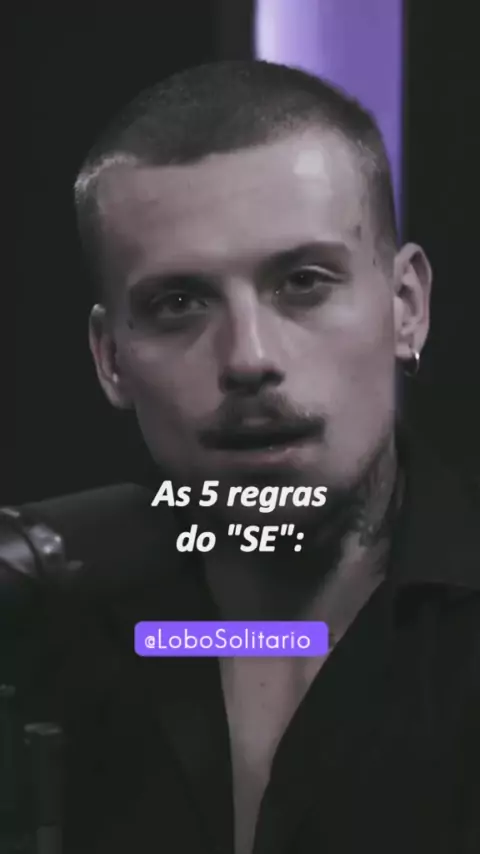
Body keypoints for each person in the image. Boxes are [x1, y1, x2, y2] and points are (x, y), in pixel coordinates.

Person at [15, 61, 480, 854]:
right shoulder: (48, 644)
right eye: (179, 303)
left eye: (303, 282)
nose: (248, 358)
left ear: (406, 307)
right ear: (110, 358)